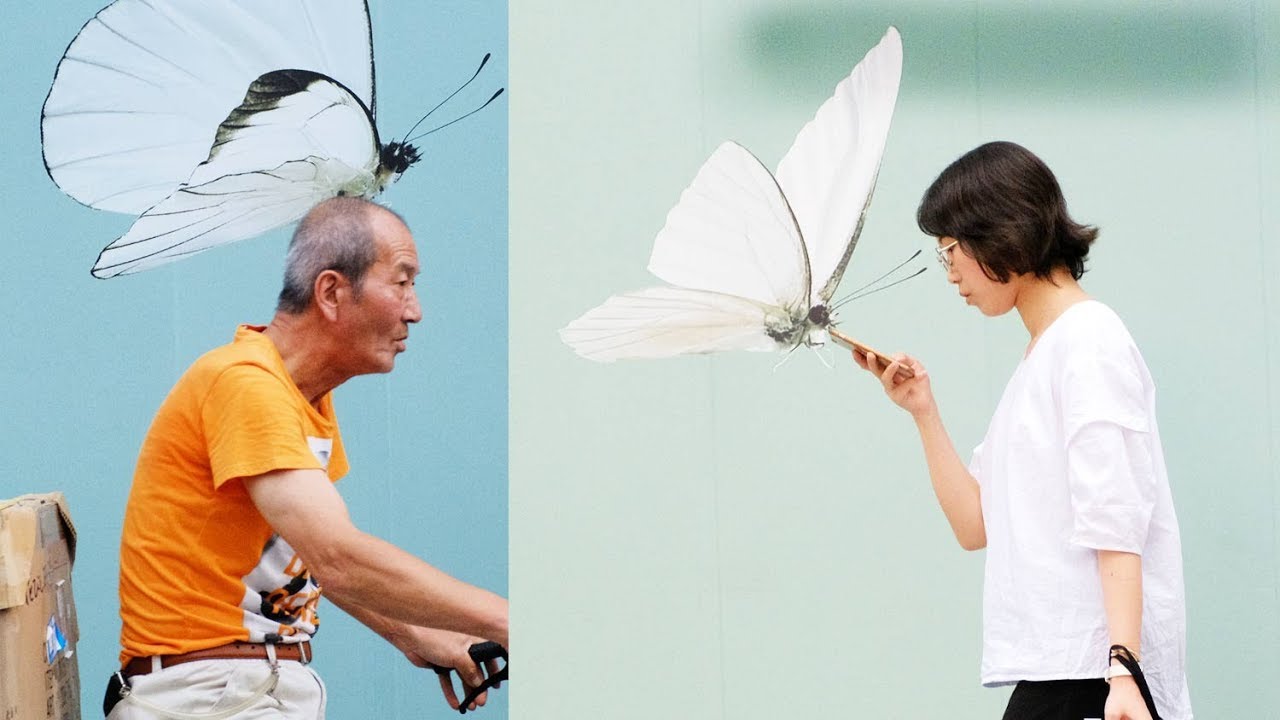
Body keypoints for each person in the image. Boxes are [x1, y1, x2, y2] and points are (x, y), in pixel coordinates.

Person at [106, 196, 508, 719]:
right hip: (211, 693)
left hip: (242, 689)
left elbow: (312, 560)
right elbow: (338, 558)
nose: (415, 310)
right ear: (332, 292)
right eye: (402, 282)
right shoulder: (244, 384)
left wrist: (417, 635)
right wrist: (507, 620)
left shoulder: (301, 397)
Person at [852, 142, 1191, 720]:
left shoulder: (1088, 342)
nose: (950, 273)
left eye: (951, 250)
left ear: (1002, 232)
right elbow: (974, 524)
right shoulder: (1043, 356)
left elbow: (1116, 516)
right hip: (1060, 669)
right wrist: (922, 411)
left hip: (1093, 675)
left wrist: (1124, 671)